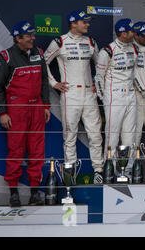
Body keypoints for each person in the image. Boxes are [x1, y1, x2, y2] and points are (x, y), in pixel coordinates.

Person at [44, 10, 104, 184]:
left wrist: (96, 83)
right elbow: (43, 63)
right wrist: (54, 83)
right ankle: (70, 174)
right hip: (70, 94)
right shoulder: (59, 41)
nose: (87, 24)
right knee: (69, 135)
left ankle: (98, 170)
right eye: (84, 22)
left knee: (95, 134)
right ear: (73, 23)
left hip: (89, 94)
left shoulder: (91, 42)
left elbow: (100, 66)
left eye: (87, 22)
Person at [0, 21, 51, 206]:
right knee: (16, 151)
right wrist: (2, 113)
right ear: (18, 38)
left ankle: (35, 192)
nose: (33, 38)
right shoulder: (6, 57)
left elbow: (44, 81)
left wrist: (46, 106)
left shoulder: (39, 53)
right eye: (29, 36)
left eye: (33, 35)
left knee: (37, 152)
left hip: (37, 108)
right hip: (16, 109)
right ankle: (13, 192)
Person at [95, 18, 138, 174]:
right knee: (112, 136)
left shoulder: (134, 49)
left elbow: (135, 75)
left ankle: (126, 171)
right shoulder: (107, 51)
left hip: (130, 95)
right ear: (123, 33)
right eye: (131, 31)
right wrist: (104, 98)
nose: (134, 33)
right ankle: (109, 170)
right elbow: (99, 78)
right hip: (114, 96)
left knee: (129, 137)